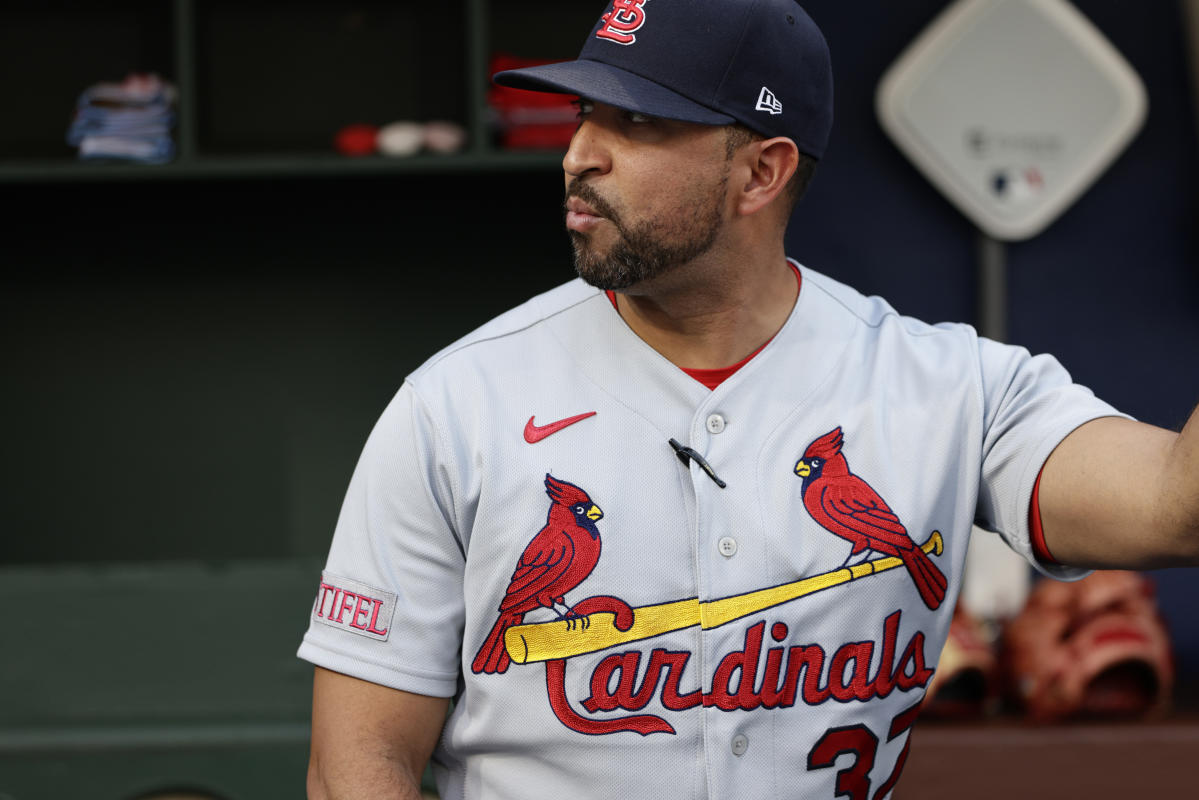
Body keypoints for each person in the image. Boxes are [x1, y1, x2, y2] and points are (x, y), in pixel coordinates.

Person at [298, 1, 1198, 798]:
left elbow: (1173, 508)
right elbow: (356, 766)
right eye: (583, 115)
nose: (579, 155)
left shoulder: (951, 385)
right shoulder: (454, 403)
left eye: (636, 121)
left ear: (761, 173)